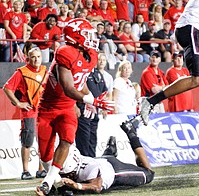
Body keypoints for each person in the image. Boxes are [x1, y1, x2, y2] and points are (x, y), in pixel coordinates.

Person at [35, 18, 115, 195]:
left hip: (67, 107)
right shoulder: (64, 52)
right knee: (45, 155)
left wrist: (91, 98)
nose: (91, 38)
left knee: (67, 139)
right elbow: (69, 88)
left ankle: (47, 182)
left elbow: (81, 81)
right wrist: (91, 101)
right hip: (48, 109)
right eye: (87, 34)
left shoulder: (91, 55)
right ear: (75, 36)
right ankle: (57, 183)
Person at [53, 116, 154, 194]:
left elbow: (97, 186)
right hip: (101, 160)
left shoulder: (88, 170)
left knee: (149, 173)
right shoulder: (71, 164)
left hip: (114, 170)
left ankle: (131, 133)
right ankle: (109, 151)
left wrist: (77, 186)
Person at [3, 47, 47, 180]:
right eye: (33, 57)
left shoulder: (46, 71)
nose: (36, 59)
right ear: (28, 58)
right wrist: (18, 103)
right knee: (27, 141)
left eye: (38, 57)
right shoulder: (21, 72)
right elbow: (7, 88)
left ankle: (41, 169)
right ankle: (25, 170)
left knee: (44, 141)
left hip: (43, 111)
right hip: (29, 112)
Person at [75, 65, 109, 158]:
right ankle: (84, 160)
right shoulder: (81, 71)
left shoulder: (97, 73)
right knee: (83, 137)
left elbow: (103, 91)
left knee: (92, 137)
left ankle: (92, 159)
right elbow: (73, 89)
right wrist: (74, 106)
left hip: (94, 110)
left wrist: (103, 105)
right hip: (83, 108)